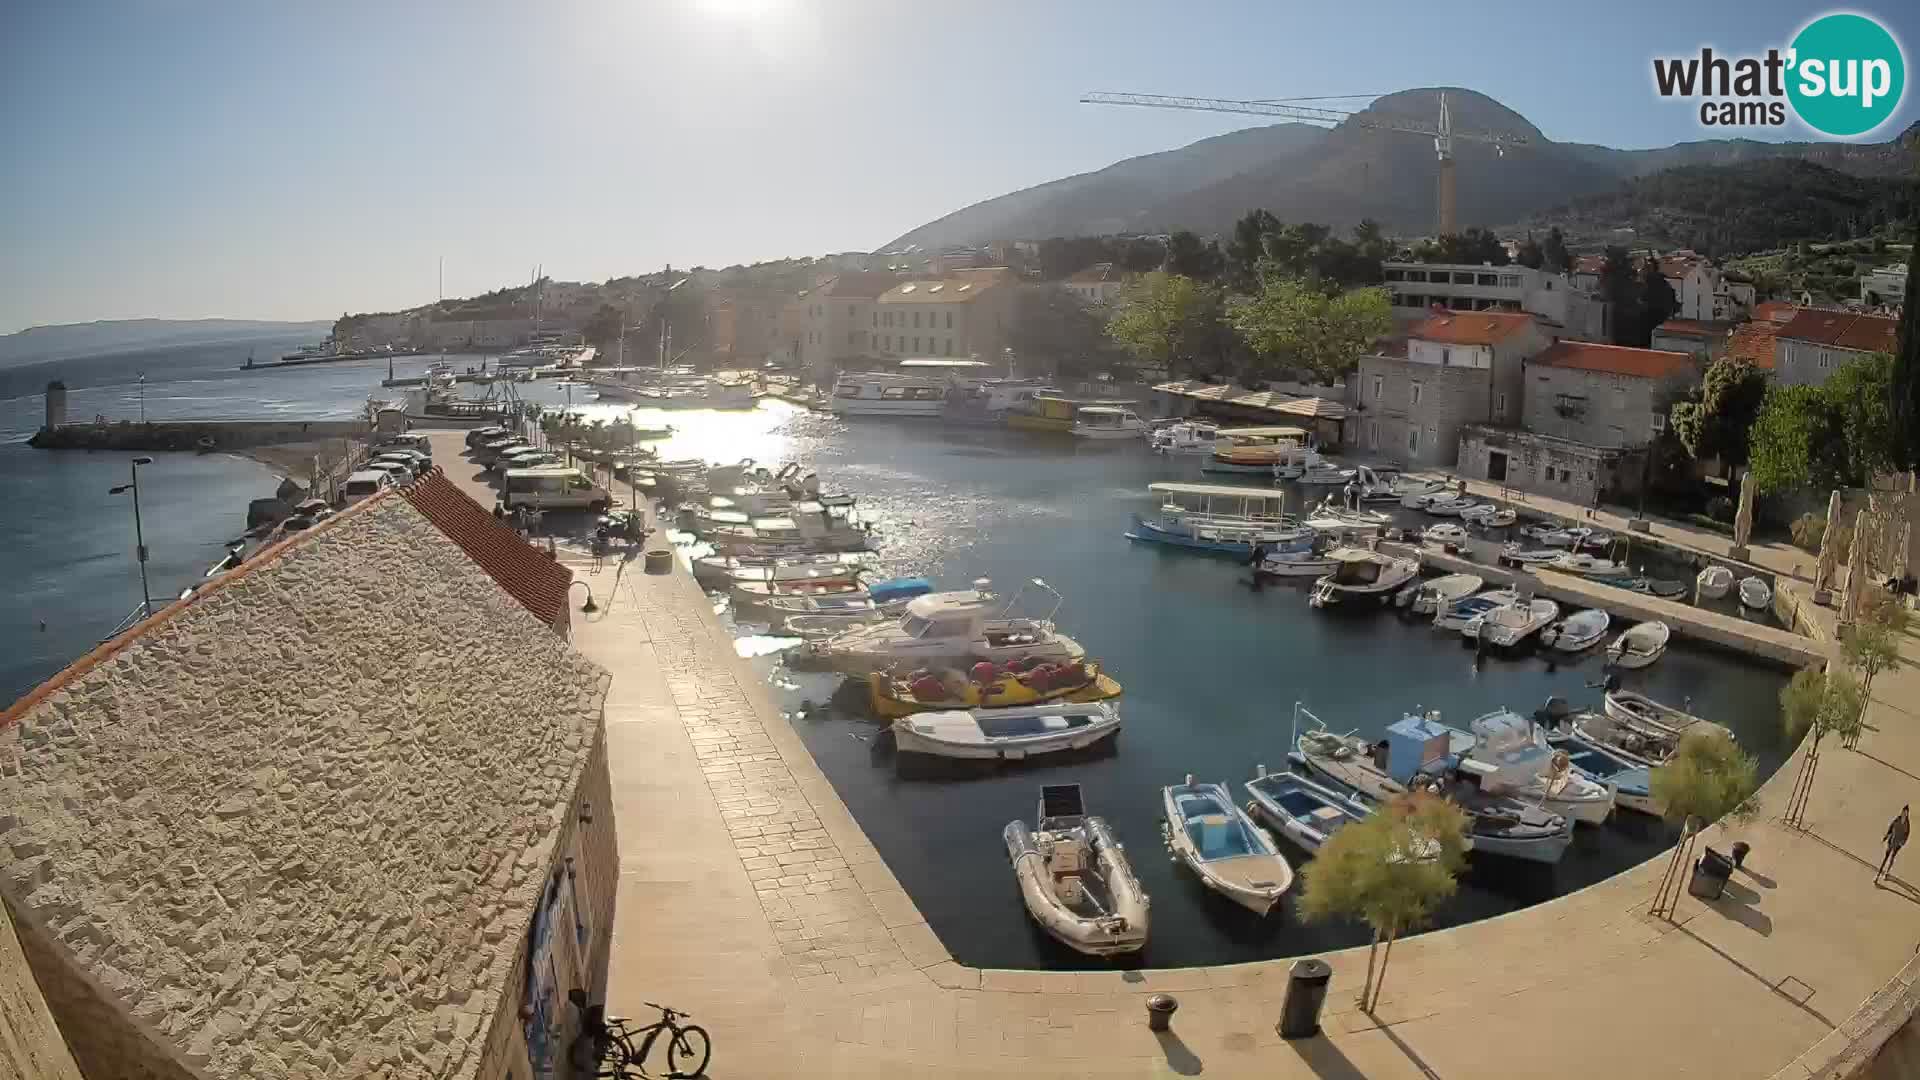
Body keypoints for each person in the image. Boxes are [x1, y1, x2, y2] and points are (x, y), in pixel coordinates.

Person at [1880, 806, 1910, 882]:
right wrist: (1886, 836)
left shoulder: (1907, 824)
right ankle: (1878, 874)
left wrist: (1902, 843)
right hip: (1891, 841)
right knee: (1886, 857)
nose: (1904, 814)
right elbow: (1890, 828)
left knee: (1892, 857)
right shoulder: (1897, 820)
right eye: (1903, 812)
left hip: (1898, 844)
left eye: (1905, 813)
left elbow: (1906, 834)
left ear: (1907, 814)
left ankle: (1887, 872)